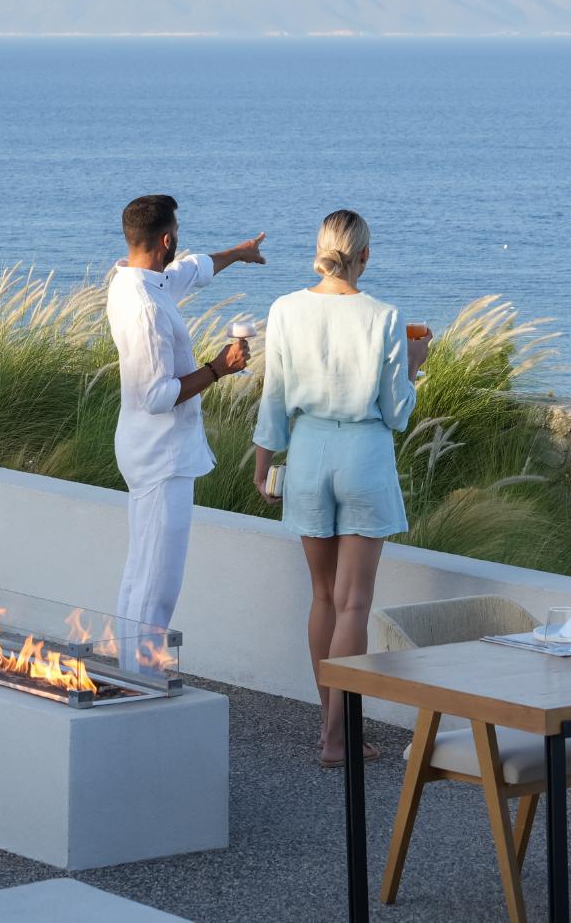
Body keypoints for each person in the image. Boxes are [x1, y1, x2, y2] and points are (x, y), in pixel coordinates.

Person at [252, 208, 428, 767]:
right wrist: (415, 367)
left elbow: (273, 397)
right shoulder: (385, 316)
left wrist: (263, 466)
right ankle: (338, 738)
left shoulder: (284, 309)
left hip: (305, 453)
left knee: (323, 598)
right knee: (355, 602)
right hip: (363, 454)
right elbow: (396, 412)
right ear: (365, 256)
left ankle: (330, 730)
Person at [108, 193, 267, 639]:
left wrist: (237, 254)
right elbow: (157, 396)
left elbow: (190, 270)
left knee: (140, 571)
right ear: (165, 238)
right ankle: (141, 680)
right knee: (157, 584)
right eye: (176, 232)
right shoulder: (146, 307)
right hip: (160, 455)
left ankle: (130, 673)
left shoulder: (136, 280)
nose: (179, 241)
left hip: (148, 449)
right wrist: (219, 368)